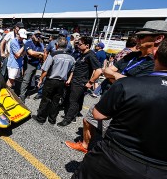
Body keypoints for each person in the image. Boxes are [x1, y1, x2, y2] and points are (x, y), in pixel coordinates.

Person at [65, 20, 166, 154]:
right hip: (109, 95)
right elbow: (107, 71)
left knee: (110, 137)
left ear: (159, 38)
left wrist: (116, 76)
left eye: (142, 36)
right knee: (88, 118)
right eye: (137, 36)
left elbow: (138, 86)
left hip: (125, 104)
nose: (137, 39)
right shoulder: (132, 55)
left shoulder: (157, 62)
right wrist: (121, 78)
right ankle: (85, 144)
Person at [72, 38, 167, 179]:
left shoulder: (129, 84)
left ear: (155, 55)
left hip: (113, 158)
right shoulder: (131, 61)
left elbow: (98, 114)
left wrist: (120, 78)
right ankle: (86, 144)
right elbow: (107, 70)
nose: (139, 41)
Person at [57, 36, 102, 127]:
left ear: (87, 45)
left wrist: (90, 82)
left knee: (73, 100)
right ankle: (74, 115)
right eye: (77, 43)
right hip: (75, 81)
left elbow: (99, 70)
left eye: (80, 44)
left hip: (80, 82)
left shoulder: (91, 55)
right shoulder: (82, 54)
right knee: (78, 100)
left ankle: (67, 119)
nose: (78, 45)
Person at [31, 37, 75, 125]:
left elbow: (45, 69)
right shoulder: (71, 57)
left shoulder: (54, 54)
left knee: (45, 99)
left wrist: (40, 79)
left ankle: (41, 118)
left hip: (51, 80)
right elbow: (72, 71)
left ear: (56, 45)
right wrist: (69, 80)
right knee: (56, 100)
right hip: (62, 82)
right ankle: (52, 119)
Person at [19, 30, 44, 103]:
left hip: (36, 64)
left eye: (39, 35)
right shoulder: (28, 43)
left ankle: (27, 93)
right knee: (26, 80)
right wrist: (40, 53)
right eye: (36, 35)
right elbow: (31, 53)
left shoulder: (40, 44)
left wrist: (39, 54)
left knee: (30, 80)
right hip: (29, 64)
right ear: (32, 35)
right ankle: (22, 96)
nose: (38, 37)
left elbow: (42, 55)